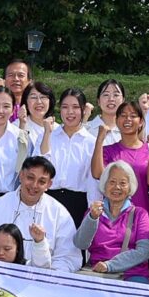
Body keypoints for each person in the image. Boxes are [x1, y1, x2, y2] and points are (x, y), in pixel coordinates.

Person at [0, 156, 80, 271]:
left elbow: (67, 257)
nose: (34, 185)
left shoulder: (59, 213)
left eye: (41, 181)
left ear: (49, 185)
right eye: (30, 178)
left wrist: (50, 276)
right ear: (21, 176)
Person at [76, 158, 149, 281]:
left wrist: (110, 265)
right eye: (112, 182)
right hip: (96, 272)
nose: (117, 187)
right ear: (104, 185)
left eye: (123, 183)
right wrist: (92, 218)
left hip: (132, 273)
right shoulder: (93, 211)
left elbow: (143, 251)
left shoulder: (140, 214)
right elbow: (80, 244)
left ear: (130, 187)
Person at [44, 88, 102, 222]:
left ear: (83, 110)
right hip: (49, 201)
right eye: (65, 107)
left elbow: (93, 181)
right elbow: (39, 166)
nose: (70, 112)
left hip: (78, 203)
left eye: (75, 107)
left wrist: (93, 213)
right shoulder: (48, 136)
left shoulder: (91, 142)